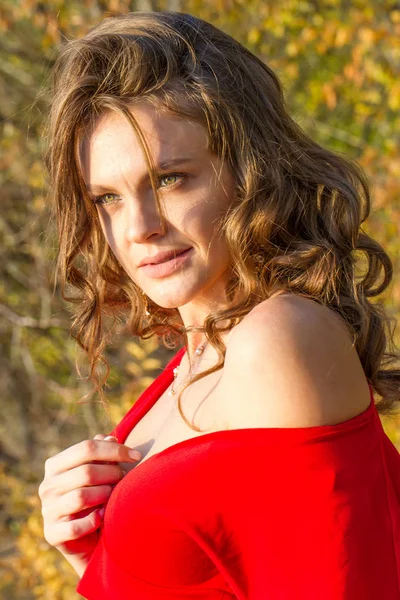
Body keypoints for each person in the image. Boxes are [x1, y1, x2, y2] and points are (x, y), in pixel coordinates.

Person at [38, 10, 400, 600]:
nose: (141, 228)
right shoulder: (190, 364)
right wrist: (93, 557)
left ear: (250, 170)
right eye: (107, 197)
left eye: (171, 179)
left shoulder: (278, 339)